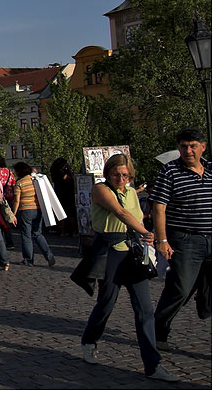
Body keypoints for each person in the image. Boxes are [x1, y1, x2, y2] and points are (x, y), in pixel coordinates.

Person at [79, 153, 178, 382]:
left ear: (130, 175)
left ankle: (153, 364)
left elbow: (138, 217)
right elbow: (120, 213)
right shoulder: (100, 189)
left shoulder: (132, 192)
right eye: (116, 174)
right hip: (110, 251)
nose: (121, 178)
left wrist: (147, 238)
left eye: (125, 175)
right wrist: (146, 233)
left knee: (145, 309)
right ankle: (89, 340)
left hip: (132, 253)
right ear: (108, 173)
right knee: (106, 302)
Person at [151, 128, 211, 350]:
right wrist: (162, 240)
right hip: (185, 241)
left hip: (212, 238)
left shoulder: (213, 170)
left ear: (203, 147)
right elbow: (159, 208)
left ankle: (205, 307)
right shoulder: (170, 171)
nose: (188, 151)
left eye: (193, 146)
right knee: (180, 289)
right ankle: (158, 332)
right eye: (184, 146)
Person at [11, 161, 55, 266]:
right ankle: (48, 254)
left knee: (26, 236)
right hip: (37, 209)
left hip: (25, 210)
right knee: (38, 233)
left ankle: (28, 259)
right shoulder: (35, 181)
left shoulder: (19, 183)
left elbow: (17, 200)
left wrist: (13, 214)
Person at [0, 154, 16, 249]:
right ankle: (10, 242)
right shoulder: (9, 172)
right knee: (7, 221)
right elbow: (13, 184)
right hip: (8, 199)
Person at [50, 157, 77, 237]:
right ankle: (74, 231)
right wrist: (69, 171)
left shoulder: (54, 171)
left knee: (62, 213)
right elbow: (69, 178)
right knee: (71, 213)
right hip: (67, 194)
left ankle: (64, 231)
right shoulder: (61, 173)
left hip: (59, 193)